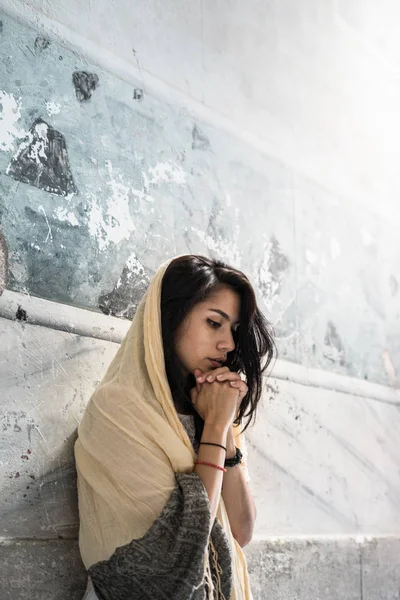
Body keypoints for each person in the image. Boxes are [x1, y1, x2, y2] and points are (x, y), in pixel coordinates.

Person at [75, 254, 275, 600]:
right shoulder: (118, 410)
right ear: (169, 317)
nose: (227, 344)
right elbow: (177, 559)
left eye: (234, 331)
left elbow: (242, 529)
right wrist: (214, 426)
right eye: (214, 323)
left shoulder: (211, 409)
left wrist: (222, 425)